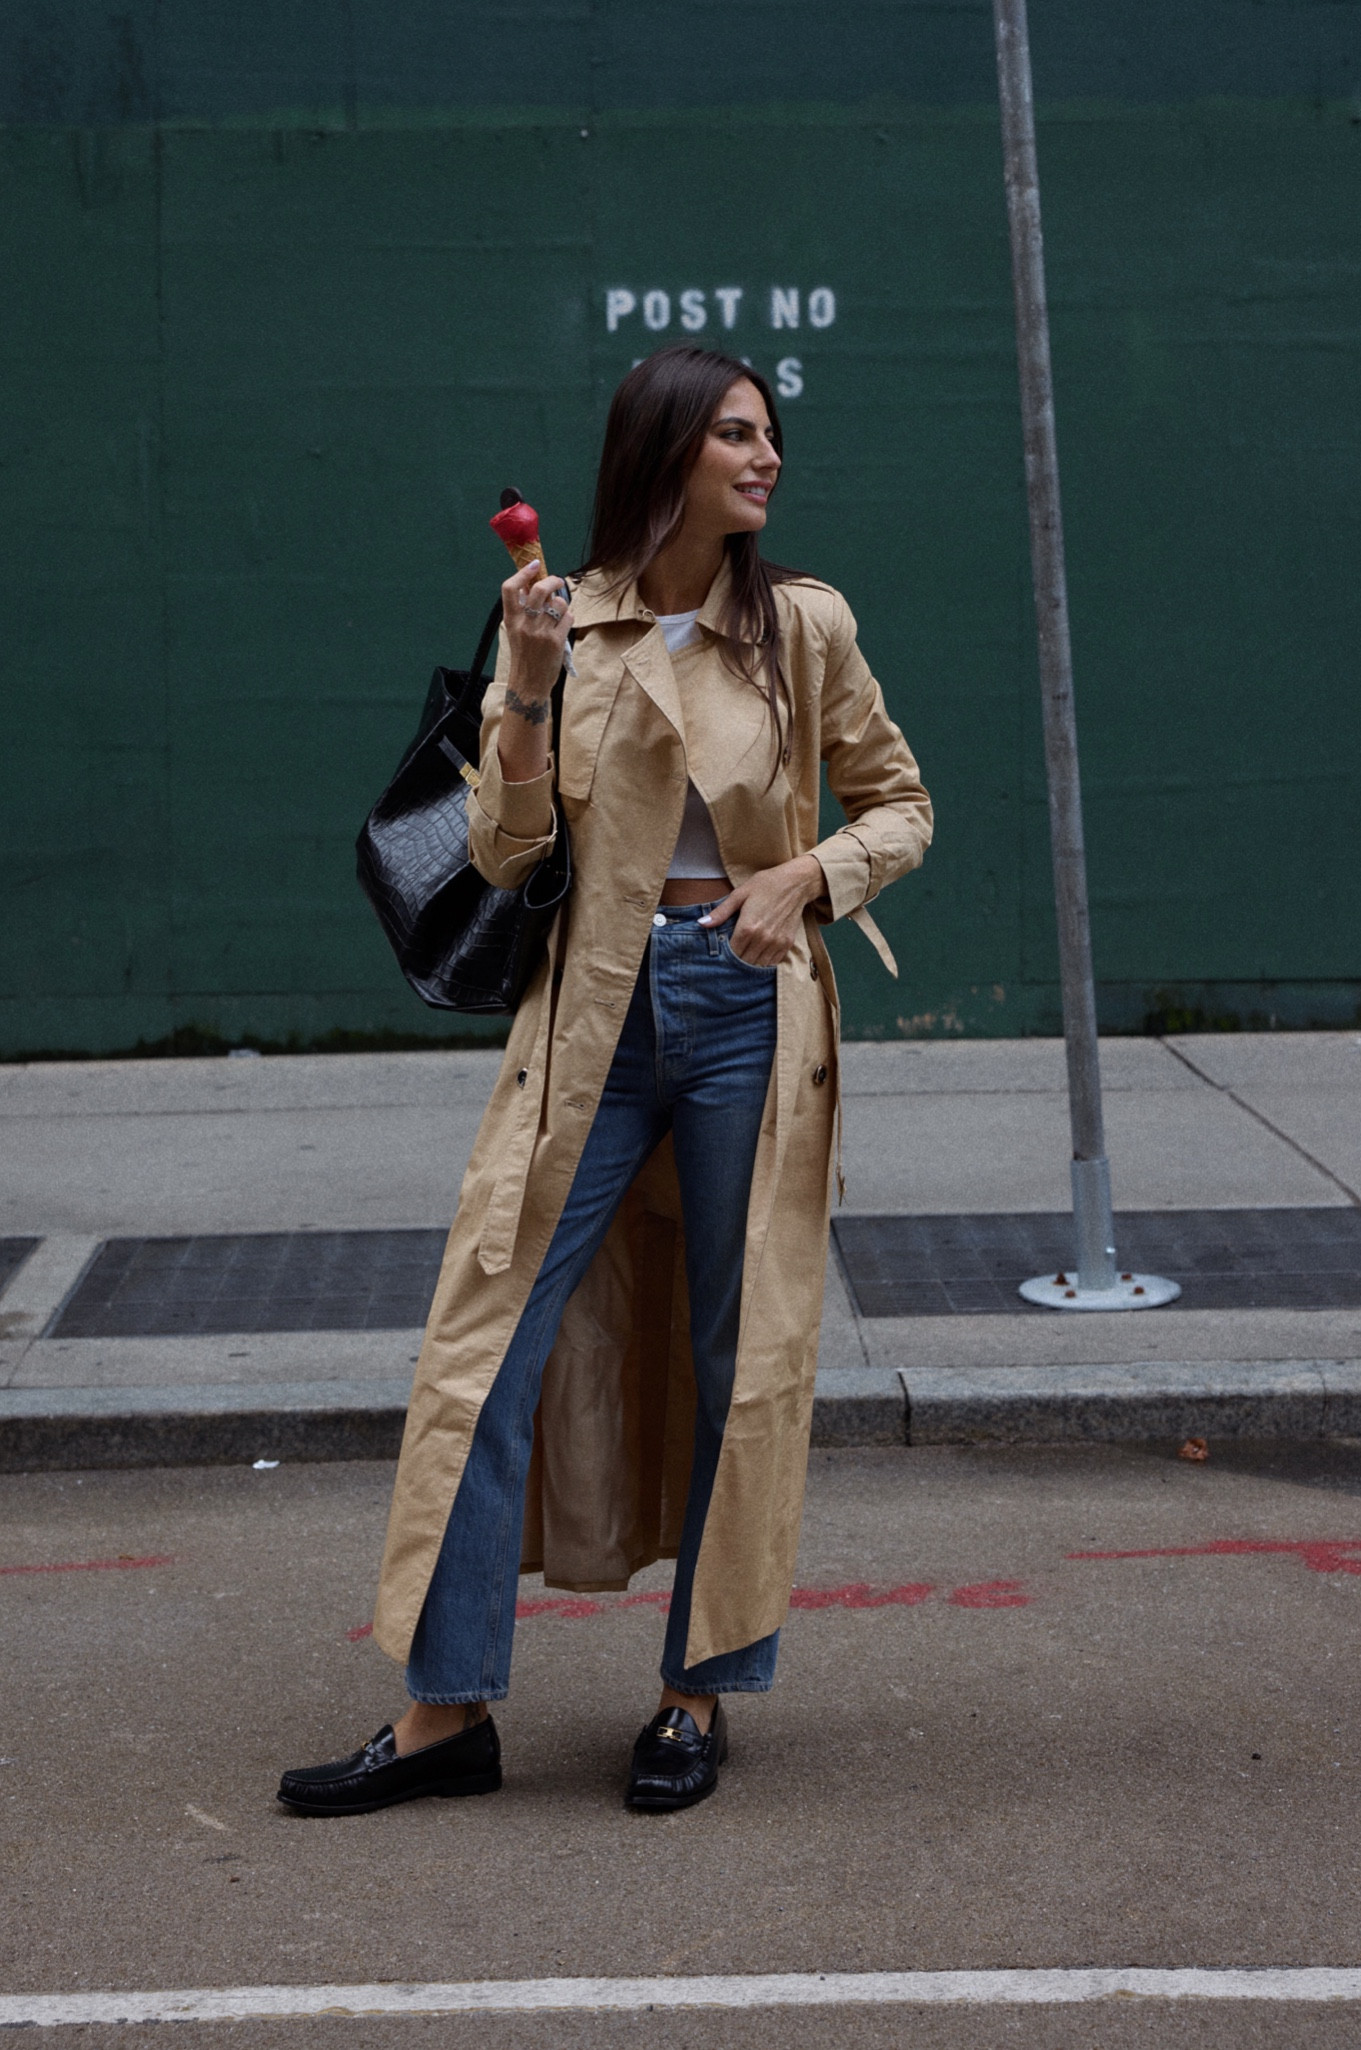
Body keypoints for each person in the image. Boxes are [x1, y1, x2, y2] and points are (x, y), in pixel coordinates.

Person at [277, 344, 932, 1818]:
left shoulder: (804, 625)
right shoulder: (568, 620)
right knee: (484, 1342)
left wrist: (807, 878)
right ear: (665, 452)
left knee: (737, 1353)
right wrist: (522, 687)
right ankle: (446, 1712)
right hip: (592, 1016)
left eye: (770, 434)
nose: (766, 457)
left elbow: (901, 805)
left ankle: (695, 1693)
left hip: (748, 1010)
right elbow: (510, 856)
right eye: (735, 435)